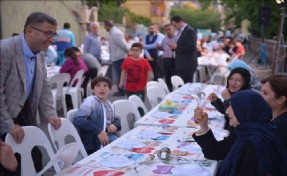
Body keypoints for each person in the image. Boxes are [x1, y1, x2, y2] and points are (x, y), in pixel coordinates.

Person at [0, 11, 61, 172]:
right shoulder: (5, 50)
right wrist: (9, 125)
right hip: (4, 119)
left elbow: (45, 86)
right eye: (48, 33)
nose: (52, 40)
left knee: (35, 159)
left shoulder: (40, 54)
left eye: (54, 34)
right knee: (10, 168)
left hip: (25, 116)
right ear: (29, 30)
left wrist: (50, 113)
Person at [193, 90, 287, 175]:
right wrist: (203, 126)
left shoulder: (253, 143)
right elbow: (216, 152)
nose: (227, 111)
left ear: (246, 110)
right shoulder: (248, 132)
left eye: (232, 107)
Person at [73, 76, 121, 154]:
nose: (102, 88)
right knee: (121, 150)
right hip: (95, 141)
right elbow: (78, 119)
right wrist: (98, 131)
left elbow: (116, 119)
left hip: (109, 136)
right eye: (98, 86)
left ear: (109, 89)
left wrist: (115, 125)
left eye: (105, 86)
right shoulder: (91, 101)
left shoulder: (109, 104)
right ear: (93, 89)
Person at [104, 20, 129, 96]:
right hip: (116, 57)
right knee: (119, 75)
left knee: (120, 75)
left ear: (107, 25)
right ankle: (121, 90)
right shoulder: (112, 32)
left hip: (119, 57)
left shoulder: (115, 33)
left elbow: (123, 45)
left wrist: (129, 52)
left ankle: (121, 91)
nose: (104, 27)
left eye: (105, 26)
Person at [261, 75, 287, 149]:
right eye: (261, 92)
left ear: (281, 99)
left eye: (265, 93)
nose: (260, 96)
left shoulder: (279, 127)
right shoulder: (273, 120)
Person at [170, 16, 197, 83]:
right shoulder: (180, 32)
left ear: (180, 22)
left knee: (186, 85)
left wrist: (177, 47)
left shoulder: (189, 31)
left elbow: (191, 47)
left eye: (175, 25)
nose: (175, 28)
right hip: (180, 64)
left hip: (187, 65)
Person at [157, 24, 177, 91]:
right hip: (165, 59)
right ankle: (168, 91)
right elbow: (163, 48)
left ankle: (175, 90)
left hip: (173, 60)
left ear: (173, 29)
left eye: (169, 29)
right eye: (166, 30)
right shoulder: (165, 38)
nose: (167, 31)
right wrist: (159, 47)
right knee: (166, 76)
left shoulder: (177, 38)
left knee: (174, 77)